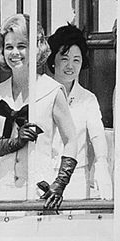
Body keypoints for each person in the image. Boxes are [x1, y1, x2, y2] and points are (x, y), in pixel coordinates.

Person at [0, 14, 78, 209]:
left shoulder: (52, 91)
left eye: (22, 45)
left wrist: (60, 184)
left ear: (36, 48)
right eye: (9, 47)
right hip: (4, 191)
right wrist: (15, 142)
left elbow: (71, 140)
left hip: (39, 190)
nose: (14, 52)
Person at [47, 24, 113, 199]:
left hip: (76, 179)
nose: (70, 66)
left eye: (76, 60)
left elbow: (97, 135)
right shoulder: (41, 93)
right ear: (53, 59)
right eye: (64, 58)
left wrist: (102, 165)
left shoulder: (88, 99)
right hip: (44, 173)